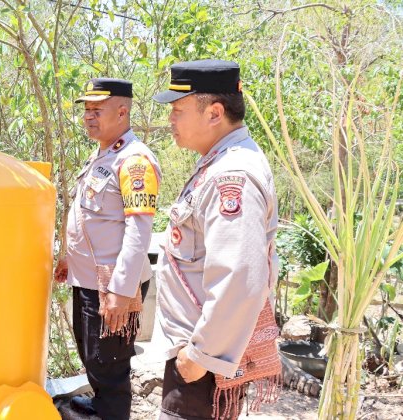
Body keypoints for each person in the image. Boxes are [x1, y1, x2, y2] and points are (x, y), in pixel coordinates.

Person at [151, 60, 281, 419]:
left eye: (178, 110)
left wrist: (202, 354)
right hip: (198, 350)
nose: (171, 120)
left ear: (215, 112)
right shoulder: (220, 162)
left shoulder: (233, 174)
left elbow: (240, 276)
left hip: (203, 360)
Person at [54, 78, 161, 419]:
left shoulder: (135, 161)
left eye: (97, 110)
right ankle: (101, 406)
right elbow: (90, 217)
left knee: (109, 365)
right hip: (88, 281)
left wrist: (120, 289)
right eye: (86, 110)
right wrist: (68, 258)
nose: (88, 117)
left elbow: (138, 229)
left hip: (111, 285)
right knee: (94, 357)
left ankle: (110, 411)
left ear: (122, 111)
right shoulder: (104, 154)